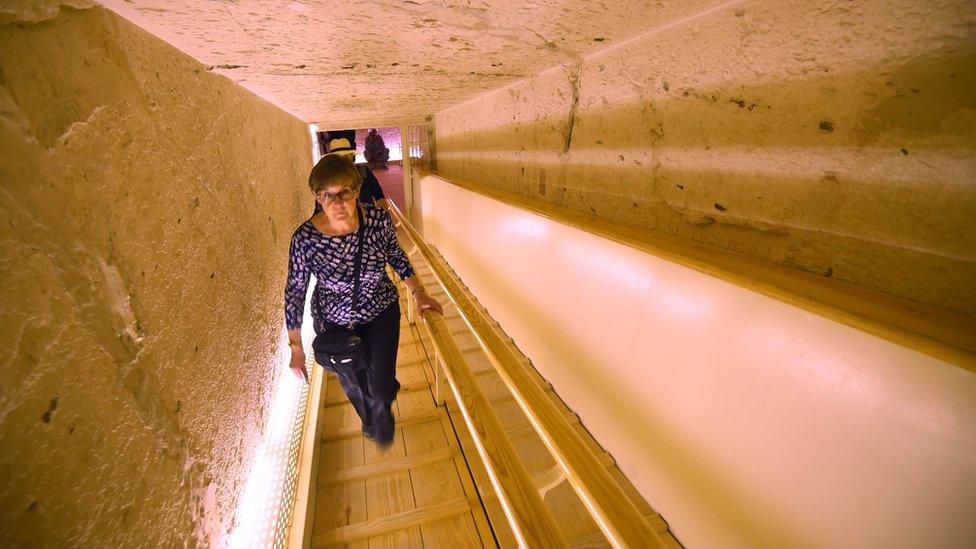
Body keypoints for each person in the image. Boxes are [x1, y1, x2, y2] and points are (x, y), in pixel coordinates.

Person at [285, 154, 442, 446]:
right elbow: (294, 291)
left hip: (380, 311)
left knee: (380, 387)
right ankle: (369, 418)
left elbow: (396, 256)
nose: (337, 203)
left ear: (357, 189)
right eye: (327, 195)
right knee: (353, 382)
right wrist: (296, 347)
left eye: (345, 192)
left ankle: (380, 402)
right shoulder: (305, 239)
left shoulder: (378, 221)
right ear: (317, 197)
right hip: (334, 323)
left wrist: (419, 292)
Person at [312, 137, 389, 212]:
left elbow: (379, 196)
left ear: (351, 156)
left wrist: (387, 216)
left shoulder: (363, 171)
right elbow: (320, 207)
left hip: (366, 217)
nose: (342, 161)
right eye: (339, 157)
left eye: (345, 157)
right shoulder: (327, 178)